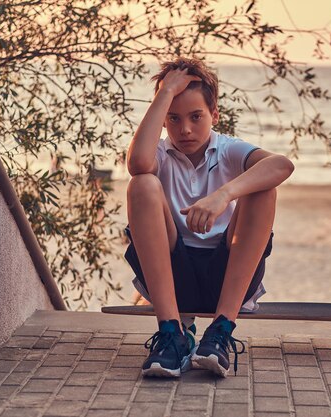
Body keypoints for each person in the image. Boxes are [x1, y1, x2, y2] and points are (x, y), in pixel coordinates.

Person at [125, 57, 294, 377]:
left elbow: (282, 165)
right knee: (142, 184)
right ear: (162, 119)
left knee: (263, 187)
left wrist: (223, 195)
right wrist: (164, 92)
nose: (185, 128)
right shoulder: (160, 154)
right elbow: (138, 163)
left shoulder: (228, 150)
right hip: (172, 280)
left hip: (227, 279)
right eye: (173, 118)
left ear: (214, 115)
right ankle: (172, 334)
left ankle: (221, 331)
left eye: (196, 117)